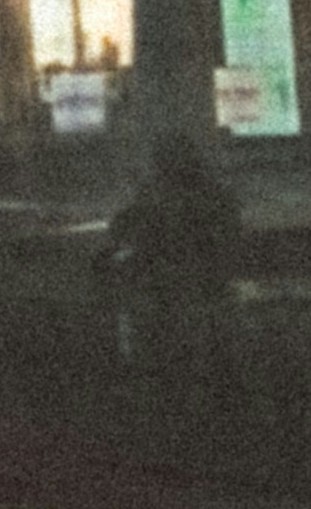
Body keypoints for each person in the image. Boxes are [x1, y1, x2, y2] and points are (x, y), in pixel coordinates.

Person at [103, 132, 241, 394]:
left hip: (170, 288)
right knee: (210, 354)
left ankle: (165, 388)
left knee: (168, 350)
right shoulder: (213, 193)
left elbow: (125, 228)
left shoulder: (159, 195)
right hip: (205, 285)